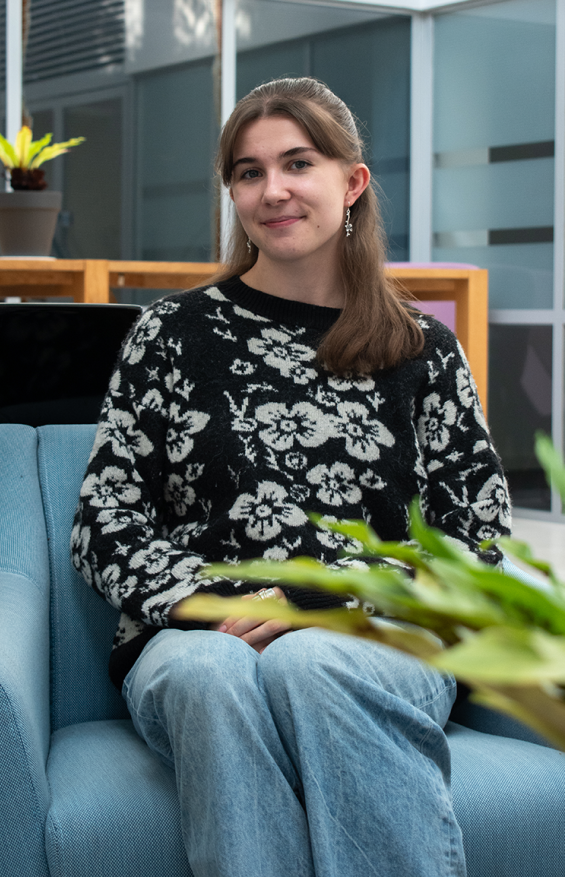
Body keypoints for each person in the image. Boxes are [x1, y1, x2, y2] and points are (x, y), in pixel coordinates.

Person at [71, 77, 511, 877]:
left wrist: (317, 597)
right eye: (247, 172)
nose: (271, 191)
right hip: (199, 635)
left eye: (297, 163)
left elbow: (474, 538)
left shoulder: (424, 350)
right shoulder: (172, 333)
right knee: (210, 673)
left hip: (376, 636)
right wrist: (220, 605)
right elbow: (104, 518)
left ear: (352, 183)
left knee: (319, 658)